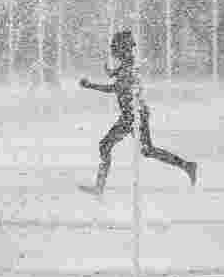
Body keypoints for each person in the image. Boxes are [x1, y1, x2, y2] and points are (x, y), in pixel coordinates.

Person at [78, 29, 198, 195]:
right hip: (134, 113)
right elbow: (120, 78)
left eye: (116, 47)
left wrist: (91, 85)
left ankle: (99, 188)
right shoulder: (128, 64)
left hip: (133, 115)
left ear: (122, 47)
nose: (113, 50)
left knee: (107, 146)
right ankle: (186, 165)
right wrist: (110, 72)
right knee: (146, 150)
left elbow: (115, 88)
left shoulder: (128, 66)